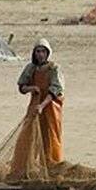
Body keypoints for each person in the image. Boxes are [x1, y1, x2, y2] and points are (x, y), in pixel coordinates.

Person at [11, 39, 64, 169]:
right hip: (35, 107)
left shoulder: (54, 68)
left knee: (49, 137)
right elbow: (22, 87)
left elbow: (55, 90)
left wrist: (42, 105)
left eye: (43, 51)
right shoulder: (31, 68)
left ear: (48, 53)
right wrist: (31, 88)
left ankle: (51, 165)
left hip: (50, 108)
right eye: (38, 51)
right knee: (29, 136)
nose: (40, 54)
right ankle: (26, 166)